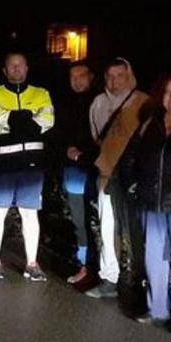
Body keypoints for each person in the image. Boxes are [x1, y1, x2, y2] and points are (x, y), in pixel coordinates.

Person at [120, 73, 171, 326]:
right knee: (154, 256)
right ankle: (156, 307)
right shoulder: (150, 123)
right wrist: (132, 184)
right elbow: (130, 157)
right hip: (150, 201)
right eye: (168, 92)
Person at [0, 53, 53, 282]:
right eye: (11, 65)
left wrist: (17, 121)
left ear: (27, 67)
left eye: (20, 65)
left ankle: (32, 263)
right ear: (4, 69)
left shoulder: (41, 93)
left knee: (30, 214)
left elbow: (47, 120)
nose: (16, 69)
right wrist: (29, 119)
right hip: (2, 163)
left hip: (31, 166)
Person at [85, 58, 151, 299]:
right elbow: (96, 137)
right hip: (106, 173)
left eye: (119, 76)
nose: (114, 81)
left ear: (129, 76)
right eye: (109, 76)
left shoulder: (143, 102)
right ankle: (109, 277)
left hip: (131, 177)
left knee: (134, 231)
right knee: (107, 226)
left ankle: (139, 282)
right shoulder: (98, 103)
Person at [54, 61, 100, 284]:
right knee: (79, 219)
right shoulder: (64, 104)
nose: (77, 80)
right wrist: (67, 150)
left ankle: (105, 269)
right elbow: (57, 135)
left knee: (100, 221)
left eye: (82, 75)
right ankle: (84, 264)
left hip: (99, 171)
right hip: (73, 170)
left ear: (91, 77)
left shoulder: (102, 102)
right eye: (73, 76)